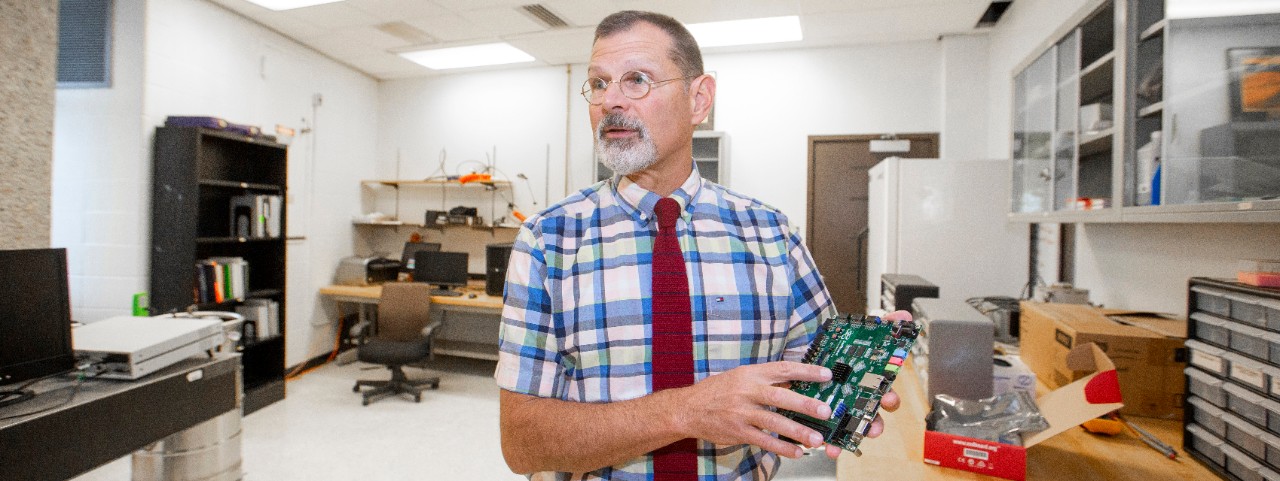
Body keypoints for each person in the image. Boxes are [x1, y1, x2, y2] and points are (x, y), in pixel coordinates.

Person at [495, 10, 906, 480]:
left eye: (636, 80)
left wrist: (855, 381)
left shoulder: (772, 235)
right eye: (599, 83)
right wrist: (687, 411)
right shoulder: (548, 241)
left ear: (699, 99)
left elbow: (807, 399)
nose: (611, 101)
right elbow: (523, 445)